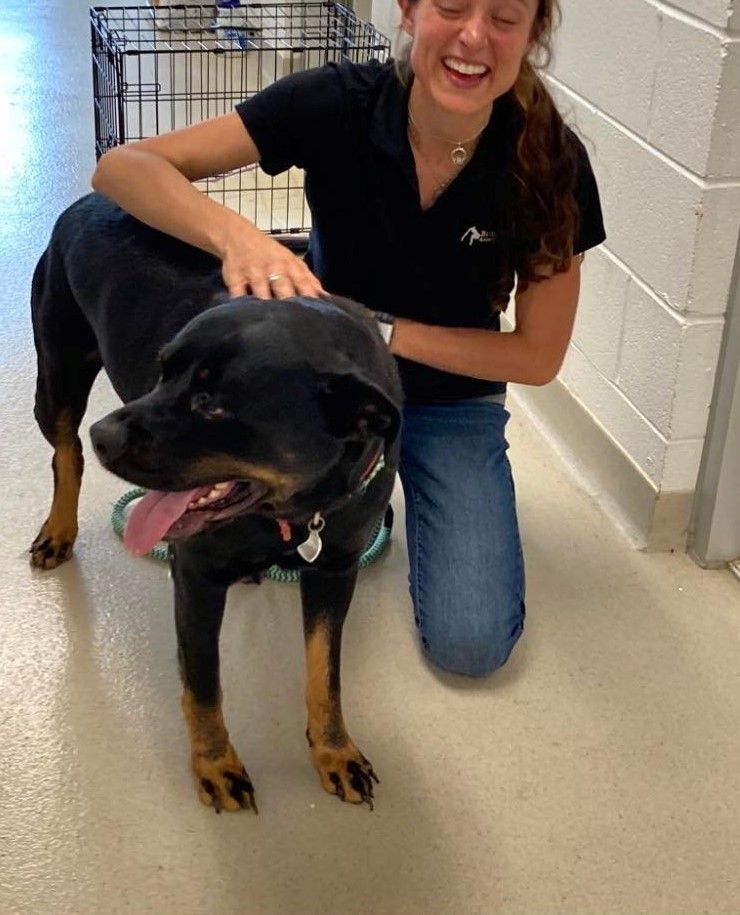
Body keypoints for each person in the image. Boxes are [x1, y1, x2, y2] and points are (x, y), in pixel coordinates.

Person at [92, 0, 606, 678]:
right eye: (452, 6)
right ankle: (348, 491)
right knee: (248, 511)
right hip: (319, 392)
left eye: (505, 18)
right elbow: (122, 167)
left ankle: (367, 498)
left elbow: (538, 357)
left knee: (471, 647)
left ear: (533, 33)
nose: (473, 36)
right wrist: (239, 237)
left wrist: (381, 332)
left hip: (450, 401)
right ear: (410, 11)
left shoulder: (551, 163)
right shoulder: (336, 101)